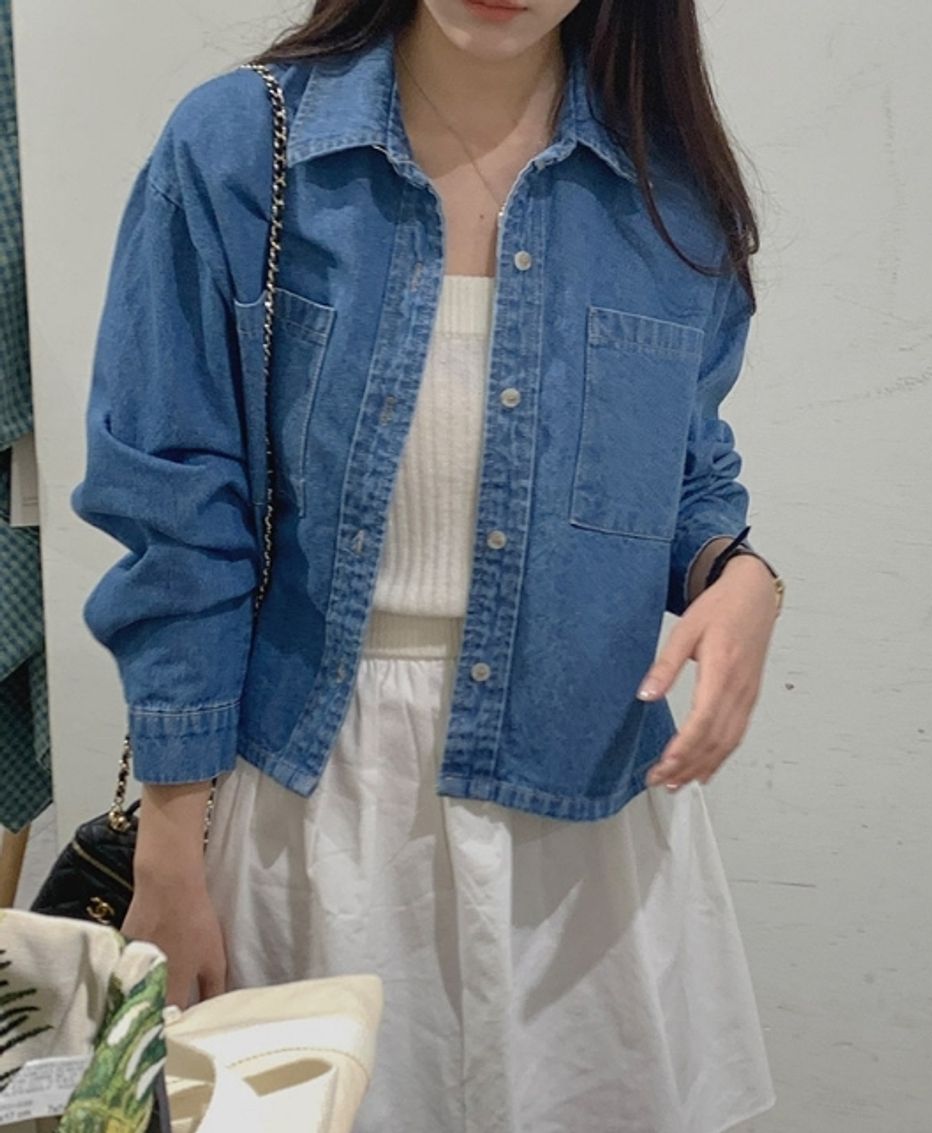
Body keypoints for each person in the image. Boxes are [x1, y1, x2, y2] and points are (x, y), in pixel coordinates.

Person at [72, 1, 784, 1129]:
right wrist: (169, 846)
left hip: (581, 831)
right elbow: (178, 509)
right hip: (316, 805)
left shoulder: (668, 191)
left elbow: (684, 470)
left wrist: (739, 575)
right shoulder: (242, 150)